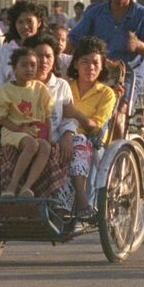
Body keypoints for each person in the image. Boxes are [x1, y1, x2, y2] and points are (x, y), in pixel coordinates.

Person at [66, 0, 144, 93]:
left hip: (127, 76)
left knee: (118, 110)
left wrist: (138, 45)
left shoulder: (142, 15)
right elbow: (72, 40)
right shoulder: (95, 13)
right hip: (97, 72)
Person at [0, 44, 55, 196]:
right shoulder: (5, 90)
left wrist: (49, 136)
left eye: (33, 65)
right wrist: (18, 129)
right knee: (31, 144)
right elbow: (0, 117)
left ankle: (27, 187)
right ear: (14, 67)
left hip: (35, 131)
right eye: (24, 65)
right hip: (13, 131)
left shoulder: (40, 88)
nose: (29, 69)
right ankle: (12, 186)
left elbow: (47, 114)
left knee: (45, 146)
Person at [62, 38, 117, 214]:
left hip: (91, 140)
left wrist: (75, 114)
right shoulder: (65, 86)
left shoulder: (106, 93)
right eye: (84, 62)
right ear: (76, 64)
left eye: (95, 63)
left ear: (102, 67)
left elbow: (95, 126)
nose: (90, 67)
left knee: (79, 144)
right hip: (62, 135)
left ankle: (82, 201)